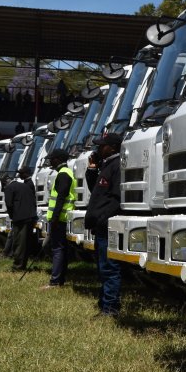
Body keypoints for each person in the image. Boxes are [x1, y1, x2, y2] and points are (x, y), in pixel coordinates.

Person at [85, 133, 122, 316]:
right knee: (102, 267)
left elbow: (116, 198)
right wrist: (92, 170)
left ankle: (110, 307)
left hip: (106, 225)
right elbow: (97, 192)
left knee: (109, 268)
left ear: (113, 147)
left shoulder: (117, 166)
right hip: (100, 226)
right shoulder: (106, 166)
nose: (98, 149)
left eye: (102, 146)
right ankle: (104, 303)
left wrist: (102, 217)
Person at [43, 149, 75, 289]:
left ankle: (55, 281)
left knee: (57, 249)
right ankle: (59, 280)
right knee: (61, 249)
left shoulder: (63, 175)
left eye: (52, 159)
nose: (50, 161)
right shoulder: (66, 173)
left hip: (60, 219)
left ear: (58, 159)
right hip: (61, 218)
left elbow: (61, 198)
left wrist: (55, 218)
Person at [5, 167, 37, 272]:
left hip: (20, 218)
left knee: (19, 242)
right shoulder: (24, 186)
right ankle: (22, 264)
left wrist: (12, 215)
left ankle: (18, 266)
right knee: (25, 243)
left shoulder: (10, 188)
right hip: (30, 217)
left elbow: (9, 204)